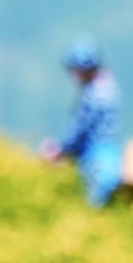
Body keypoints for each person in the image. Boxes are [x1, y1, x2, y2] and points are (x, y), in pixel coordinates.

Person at [38, 36, 124, 206]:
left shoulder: (95, 95)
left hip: (97, 160)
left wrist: (57, 148)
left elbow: (80, 129)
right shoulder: (108, 87)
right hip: (110, 156)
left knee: (95, 205)